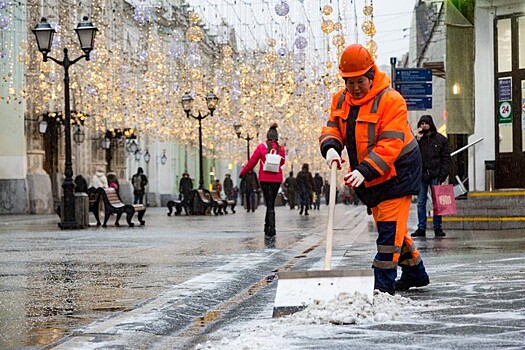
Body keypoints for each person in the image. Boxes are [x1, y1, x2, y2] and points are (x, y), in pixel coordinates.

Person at [319, 43, 429, 295]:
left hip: (399, 172)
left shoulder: (391, 100)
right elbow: (332, 127)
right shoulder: (341, 100)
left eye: (360, 81)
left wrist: (364, 170)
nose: (355, 88)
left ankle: (382, 286)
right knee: (389, 226)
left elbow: (390, 144)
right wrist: (331, 148)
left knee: (388, 231)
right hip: (371, 175)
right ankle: (415, 272)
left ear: (371, 76)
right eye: (349, 82)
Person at [240, 123, 286, 236]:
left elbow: (252, 162)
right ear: (277, 137)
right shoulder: (281, 149)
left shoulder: (261, 147)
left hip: (265, 179)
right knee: (271, 203)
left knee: (268, 202)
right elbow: (282, 162)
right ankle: (271, 228)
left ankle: (268, 228)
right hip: (276, 179)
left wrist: (243, 173)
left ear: (267, 136)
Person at [412, 114, 451, 238]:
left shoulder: (441, 139)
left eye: (425, 123)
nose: (423, 126)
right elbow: (411, 155)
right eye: (421, 124)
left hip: (435, 175)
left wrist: (442, 175)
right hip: (422, 176)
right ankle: (421, 228)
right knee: (421, 203)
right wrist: (416, 139)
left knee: (437, 203)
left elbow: (446, 158)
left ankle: (437, 227)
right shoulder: (418, 140)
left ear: (430, 124)